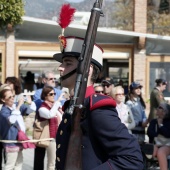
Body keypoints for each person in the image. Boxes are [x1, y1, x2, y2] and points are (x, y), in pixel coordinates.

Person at [54, 36, 143, 170]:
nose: (60, 68)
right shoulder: (72, 106)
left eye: (68, 63)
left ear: (86, 69)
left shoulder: (96, 108)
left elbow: (131, 158)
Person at [33, 71, 64, 170]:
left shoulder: (58, 91)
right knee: (39, 157)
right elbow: (43, 109)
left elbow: (62, 107)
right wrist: (56, 103)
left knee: (53, 160)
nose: (53, 95)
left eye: (55, 79)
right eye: (51, 79)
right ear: (44, 80)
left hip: (55, 133)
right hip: (43, 130)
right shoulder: (38, 92)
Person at [0, 88, 35, 170]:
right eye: (9, 97)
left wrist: (30, 103)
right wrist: (18, 106)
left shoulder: (15, 106)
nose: (12, 98)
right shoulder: (4, 111)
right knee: (10, 165)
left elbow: (31, 110)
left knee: (19, 163)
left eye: (13, 96)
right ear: (3, 99)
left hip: (19, 139)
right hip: (11, 141)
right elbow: (11, 120)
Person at [147, 102, 170, 170]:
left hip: (167, 145)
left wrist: (160, 125)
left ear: (165, 112)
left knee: (160, 152)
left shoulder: (168, 122)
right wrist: (158, 133)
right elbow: (149, 133)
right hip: (156, 144)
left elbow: (168, 134)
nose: (157, 108)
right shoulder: (153, 121)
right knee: (150, 152)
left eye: (160, 107)